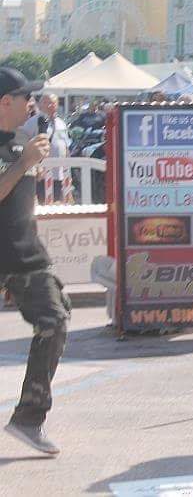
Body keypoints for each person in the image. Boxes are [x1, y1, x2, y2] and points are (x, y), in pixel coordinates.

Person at [0, 68, 69, 455]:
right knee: (53, 322)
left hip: (24, 256)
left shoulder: (17, 143)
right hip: (10, 257)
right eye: (26, 98)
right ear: (4, 101)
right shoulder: (16, 152)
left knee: (54, 320)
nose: (32, 105)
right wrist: (24, 164)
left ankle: (28, 418)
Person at [20, 93, 72, 204]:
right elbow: (22, 141)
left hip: (59, 173)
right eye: (46, 102)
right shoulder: (33, 122)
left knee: (57, 204)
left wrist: (68, 170)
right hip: (41, 173)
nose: (50, 105)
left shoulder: (61, 123)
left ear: (57, 105)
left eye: (53, 103)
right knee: (43, 204)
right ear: (39, 105)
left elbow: (66, 146)